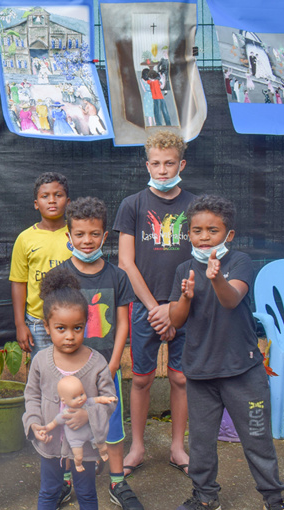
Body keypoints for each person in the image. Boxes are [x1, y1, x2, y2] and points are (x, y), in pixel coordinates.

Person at [168, 195, 284, 510]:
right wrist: (184, 297)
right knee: (200, 442)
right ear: (189, 234)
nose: (204, 236)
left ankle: (274, 497)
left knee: (257, 438)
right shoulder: (184, 269)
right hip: (200, 371)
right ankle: (205, 497)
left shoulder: (239, 262)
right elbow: (176, 319)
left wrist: (216, 279)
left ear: (229, 235)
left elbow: (232, 299)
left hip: (243, 369)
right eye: (197, 230)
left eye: (213, 230)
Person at [54, 197, 144, 510]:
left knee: (114, 430)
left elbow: (122, 322)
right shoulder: (59, 277)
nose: (87, 241)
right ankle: (67, 479)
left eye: (94, 234)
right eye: (79, 234)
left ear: (105, 237)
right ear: (69, 236)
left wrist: (116, 361)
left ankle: (117, 482)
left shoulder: (117, 276)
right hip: (69, 373)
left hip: (106, 370)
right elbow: (54, 323)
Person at [113, 130, 194, 478]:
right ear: (147, 165)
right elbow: (126, 263)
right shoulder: (132, 205)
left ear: (181, 164)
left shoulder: (195, 205)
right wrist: (154, 308)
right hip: (143, 307)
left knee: (180, 378)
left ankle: (178, 447)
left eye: (169, 163)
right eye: (157, 164)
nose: (163, 170)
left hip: (186, 306)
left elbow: (200, 260)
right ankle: (137, 447)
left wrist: (175, 306)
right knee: (142, 380)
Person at [23, 269, 116, 510]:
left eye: (77, 328)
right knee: (49, 492)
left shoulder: (97, 363)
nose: (69, 336)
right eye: (60, 328)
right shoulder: (41, 360)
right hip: (49, 441)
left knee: (86, 493)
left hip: (84, 445)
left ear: (86, 324)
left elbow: (110, 399)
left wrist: (89, 413)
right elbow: (31, 395)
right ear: (47, 327)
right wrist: (33, 423)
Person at [10, 173, 72, 357]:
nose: (52, 201)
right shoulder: (25, 239)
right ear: (36, 203)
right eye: (45, 196)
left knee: (73, 375)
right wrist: (20, 324)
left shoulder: (77, 234)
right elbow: (18, 283)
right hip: (37, 322)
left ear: (68, 201)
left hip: (73, 320)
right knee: (43, 378)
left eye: (58, 195)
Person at [38, 375, 116, 472]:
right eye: (74, 397)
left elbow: (97, 399)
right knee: (78, 456)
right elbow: (54, 423)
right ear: (64, 400)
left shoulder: (86, 403)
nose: (80, 399)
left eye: (81, 394)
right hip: (76, 439)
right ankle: (78, 464)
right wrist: (46, 429)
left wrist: (106, 399)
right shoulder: (65, 413)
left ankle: (103, 453)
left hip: (91, 432)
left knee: (102, 445)